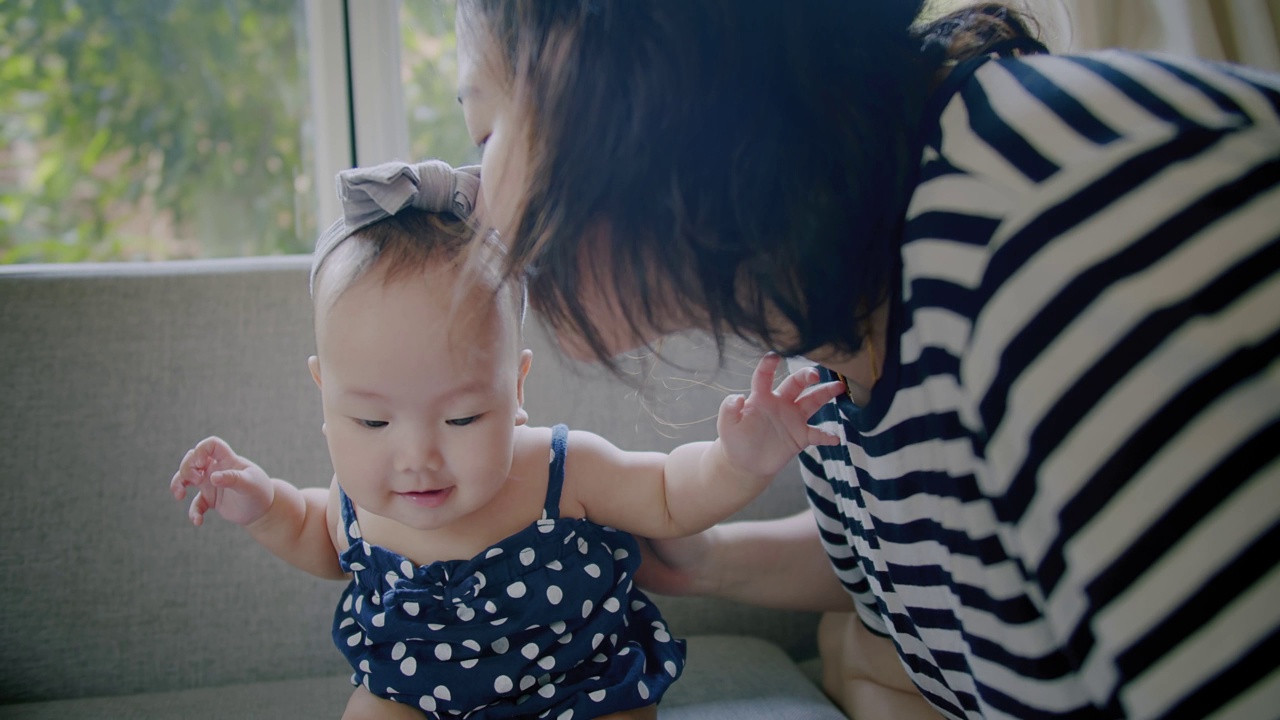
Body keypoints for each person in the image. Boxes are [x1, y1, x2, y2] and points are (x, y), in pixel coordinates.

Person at [453, 1, 1280, 718]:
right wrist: (700, 558)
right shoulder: (828, 293)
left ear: (612, 80)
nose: (475, 201)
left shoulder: (1070, 252)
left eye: (485, 129)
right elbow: (952, 538)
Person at [169, 159, 846, 720]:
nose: (415, 458)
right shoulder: (354, 497)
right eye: (372, 422)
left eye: (461, 418)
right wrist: (260, 505)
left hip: (582, 688)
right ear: (324, 394)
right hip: (415, 697)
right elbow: (314, 537)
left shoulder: (563, 469)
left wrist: (737, 461)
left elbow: (669, 494)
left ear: (517, 390)